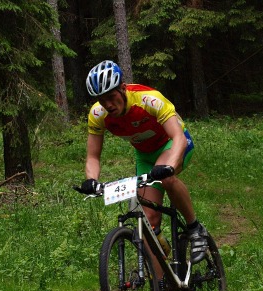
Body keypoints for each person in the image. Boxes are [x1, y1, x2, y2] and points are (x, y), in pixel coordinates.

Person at [76, 60, 209, 269]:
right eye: (102, 100)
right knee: (147, 223)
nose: (108, 105)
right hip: (145, 155)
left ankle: (195, 228)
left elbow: (178, 138)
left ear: (123, 88)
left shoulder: (149, 100)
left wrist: (169, 167)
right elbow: (93, 156)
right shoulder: (97, 115)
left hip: (174, 144)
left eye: (111, 97)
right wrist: (91, 180)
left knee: (166, 178)